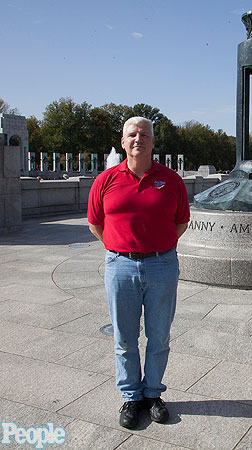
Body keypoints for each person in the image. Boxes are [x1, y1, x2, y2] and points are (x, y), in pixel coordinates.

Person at [87, 117, 190, 429]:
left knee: (159, 335)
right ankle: (131, 396)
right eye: (132, 134)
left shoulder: (171, 180)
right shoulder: (105, 180)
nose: (138, 139)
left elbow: (181, 221)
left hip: (162, 264)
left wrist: (158, 246)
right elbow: (95, 222)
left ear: (153, 142)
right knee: (124, 337)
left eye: (144, 134)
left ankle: (153, 393)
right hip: (120, 266)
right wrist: (120, 247)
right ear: (123, 141)